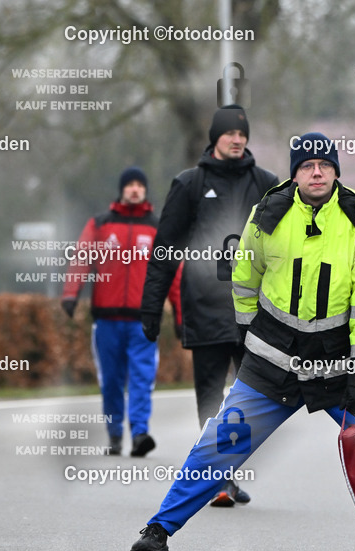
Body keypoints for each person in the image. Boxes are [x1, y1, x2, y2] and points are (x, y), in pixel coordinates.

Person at [129, 133, 355, 551]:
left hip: (341, 365)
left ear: (335, 171)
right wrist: (248, 330)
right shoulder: (268, 213)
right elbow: (243, 276)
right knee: (219, 444)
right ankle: (157, 531)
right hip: (273, 362)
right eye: (307, 165)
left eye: (324, 165)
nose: (316, 171)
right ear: (294, 173)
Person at [141, 104, 278, 506]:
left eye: (243, 134)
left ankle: (226, 474)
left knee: (251, 399)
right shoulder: (190, 184)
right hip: (205, 307)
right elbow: (165, 249)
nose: (237, 140)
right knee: (210, 398)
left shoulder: (267, 184)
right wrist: (152, 307)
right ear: (215, 138)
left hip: (257, 313)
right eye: (230, 133)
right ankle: (216, 482)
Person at [62, 166, 179, 457]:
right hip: (107, 320)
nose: (135, 189)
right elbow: (81, 257)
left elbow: (173, 273)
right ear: (122, 189)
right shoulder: (101, 225)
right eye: (130, 185)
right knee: (111, 379)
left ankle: (139, 433)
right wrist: (70, 293)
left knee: (142, 378)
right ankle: (115, 434)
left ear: (146, 190)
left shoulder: (157, 228)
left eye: (140, 184)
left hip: (143, 322)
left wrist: (181, 312)